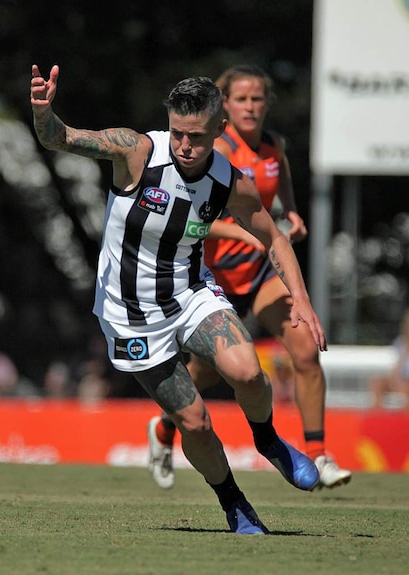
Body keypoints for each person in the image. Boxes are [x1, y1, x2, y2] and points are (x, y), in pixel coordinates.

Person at [30, 64, 327, 535]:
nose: (185, 146)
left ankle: (268, 440)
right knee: (196, 423)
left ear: (219, 130)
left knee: (249, 373)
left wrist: (303, 302)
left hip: (191, 293)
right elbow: (60, 139)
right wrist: (44, 112)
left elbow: (274, 237)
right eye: (178, 133)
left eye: (198, 137)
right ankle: (234, 504)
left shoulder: (231, 180)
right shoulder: (136, 152)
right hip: (129, 318)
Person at [146, 65, 351, 492]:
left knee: (306, 348)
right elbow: (194, 220)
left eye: (258, 98)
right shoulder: (209, 150)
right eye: (241, 99)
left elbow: (282, 196)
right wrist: (249, 233)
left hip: (258, 276)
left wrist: (291, 214)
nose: (251, 106)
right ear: (224, 105)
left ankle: (318, 454)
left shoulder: (274, 148)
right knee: (203, 375)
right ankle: (165, 431)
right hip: (211, 280)